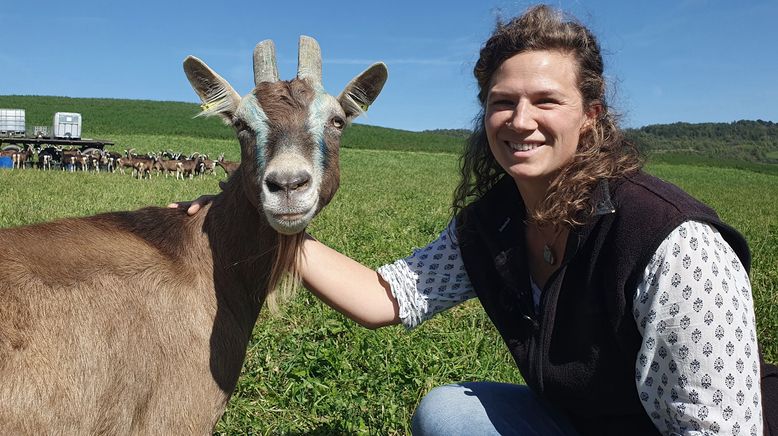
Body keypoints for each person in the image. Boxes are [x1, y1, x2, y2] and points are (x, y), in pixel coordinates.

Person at [175, 5, 776, 435]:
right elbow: (389, 296)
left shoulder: (675, 247)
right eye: (502, 102)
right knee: (449, 413)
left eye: (546, 101)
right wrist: (262, 223)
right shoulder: (498, 226)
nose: (520, 120)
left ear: (591, 116)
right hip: (585, 418)